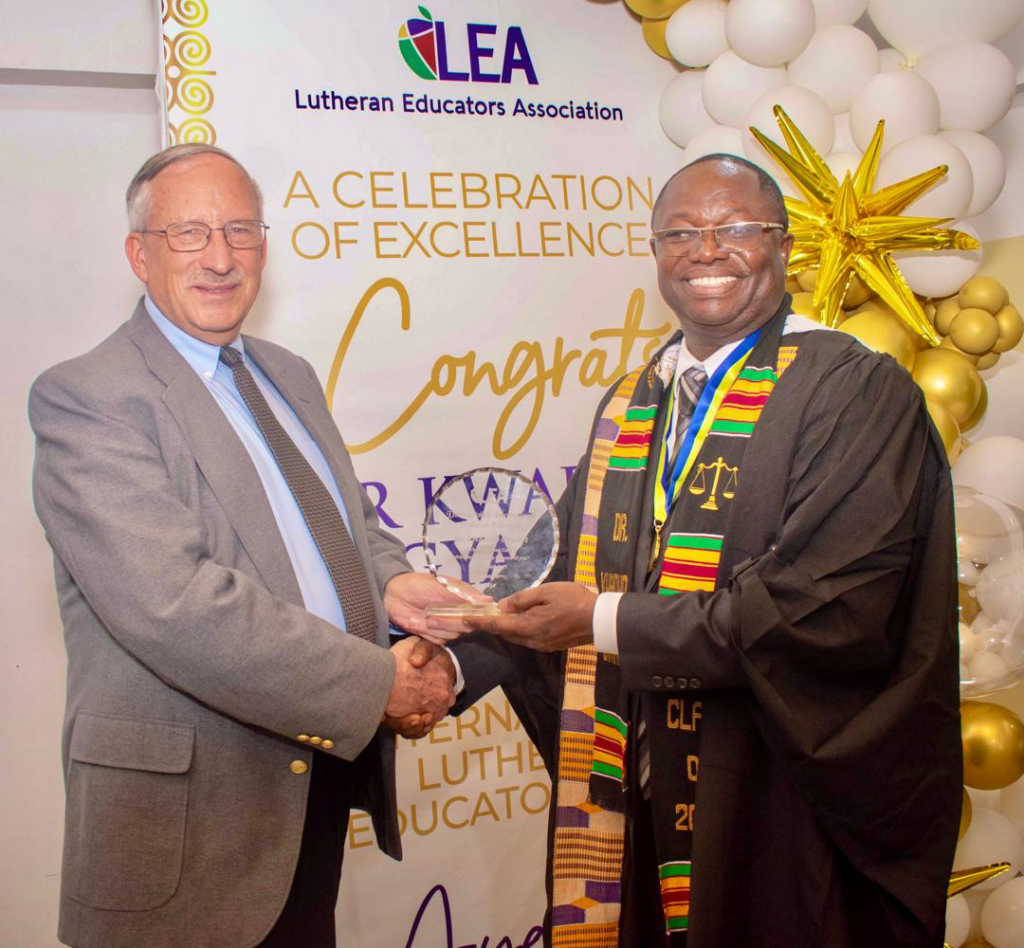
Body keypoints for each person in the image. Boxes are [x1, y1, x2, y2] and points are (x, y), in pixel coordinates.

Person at [447, 154, 962, 947]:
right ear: (656, 253)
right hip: (638, 786)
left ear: (784, 246)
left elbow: (824, 608)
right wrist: (450, 655)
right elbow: (560, 556)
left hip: (775, 798)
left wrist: (605, 621)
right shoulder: (635, 398)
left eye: (736, 228)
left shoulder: (854, 390)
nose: (707, 250)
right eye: (681, 233)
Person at [29, 143, 476, 948]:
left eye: (240, 231)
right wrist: (379, 682)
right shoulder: (88, 397)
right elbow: (175, 607)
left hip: (311, 780)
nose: (220, 257)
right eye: (189, 233)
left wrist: (389, 583)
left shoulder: (287, 373)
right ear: (138, 253)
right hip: (191, 820)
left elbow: (342, 521)